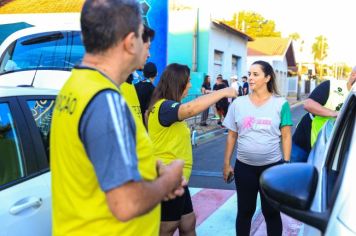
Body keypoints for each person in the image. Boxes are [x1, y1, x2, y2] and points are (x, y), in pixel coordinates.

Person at [50, 1, 185, 235]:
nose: (148, 48)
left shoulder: (75, 86)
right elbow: (126, 204)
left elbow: (98, 154)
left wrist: (155, 169)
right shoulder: (105, 99)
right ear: (130, 42)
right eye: (145, 37)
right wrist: (168, 181)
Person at [147, 63, 237, 236]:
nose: (190, 85)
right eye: (187, 81)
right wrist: (223, 92)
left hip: (178, 178)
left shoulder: (166, 106)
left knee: (188, 223)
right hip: (168, 177)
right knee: (167, 227)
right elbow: (190, 109)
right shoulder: (164, 107)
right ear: (177, 83)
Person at [223, 60, 293, 236]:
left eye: (256, 74)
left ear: (267, 78)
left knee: (271, 213)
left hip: (272, 168)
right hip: (244, 168)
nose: (250, 78)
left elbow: (286, 136)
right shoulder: (238, 103)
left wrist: (285, 163)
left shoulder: (281, 104)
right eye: (249, 74)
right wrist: (226, 164)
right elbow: (232, 135)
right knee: (245, 212)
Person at [291, 66, 356, 162]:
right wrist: (335, 114)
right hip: (304, 142)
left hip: (328, 149)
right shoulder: (332, 86)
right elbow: (308, 104)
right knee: (295, 173)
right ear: (354, 75)